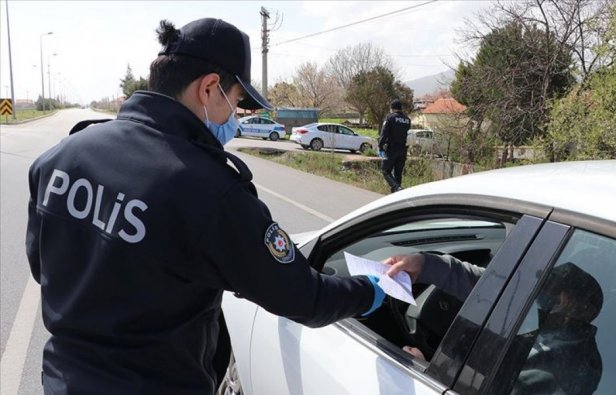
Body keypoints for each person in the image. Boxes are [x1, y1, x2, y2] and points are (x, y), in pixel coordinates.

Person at [26, 18, 385, 395]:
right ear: (210, 88)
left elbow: (43, 266)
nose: (234, 117)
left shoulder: (61, 158)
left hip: (63, 382)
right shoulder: (211, 190)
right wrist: (372, 291)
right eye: (237, 103)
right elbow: (303, 297)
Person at [385, 253, 603, 394]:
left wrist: (426, 370)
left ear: (572, 304)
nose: (539, 294)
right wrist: (425, 265)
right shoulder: (557, 331)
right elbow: (496, 289)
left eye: (551, 289)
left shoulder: (562, 365)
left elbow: (485, 389)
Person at [378, 98, 411, 193]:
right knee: (398, 173)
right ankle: (396, 195)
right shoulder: (407, 120)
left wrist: (380, 146)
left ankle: (397, 187)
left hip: (392, 148)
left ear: (392, 108)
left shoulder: (390, 118)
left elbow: (384, 134)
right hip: (403, 149)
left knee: (385, 171)